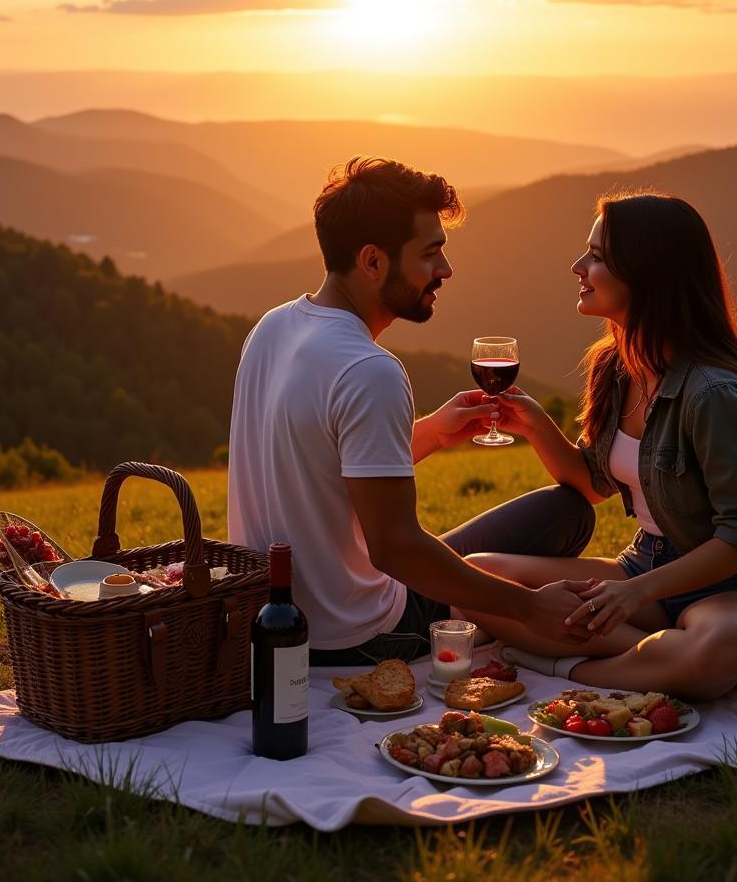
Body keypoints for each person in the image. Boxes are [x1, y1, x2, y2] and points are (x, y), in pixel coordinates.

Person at [227, 156, 596, 666]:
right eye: (430, 254)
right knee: (566, 513)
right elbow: (395, 548)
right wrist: (528, 608)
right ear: (373, 261)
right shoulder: (367, 368)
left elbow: (323, 468)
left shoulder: (272, 328)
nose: (445, 270)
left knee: (517, 532)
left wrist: (432, 434)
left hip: (277, 619)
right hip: (360, 636)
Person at [459, 192, 737, 701]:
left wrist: (636, 592)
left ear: (647, 272)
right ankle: (656, 656)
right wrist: (534, 423)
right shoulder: (614, 366)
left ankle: (569, 667)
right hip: (645, 565)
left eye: (597, 256)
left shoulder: (713, 393)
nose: (578, 267)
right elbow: (593, 483)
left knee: (717, 648)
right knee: (477, 577)